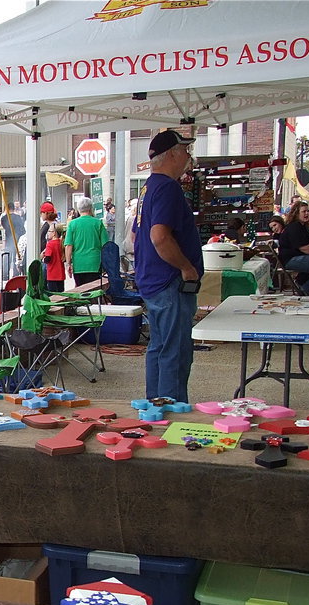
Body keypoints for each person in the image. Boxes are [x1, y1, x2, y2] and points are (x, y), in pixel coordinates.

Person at [131, 129, 203, 403]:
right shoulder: (167, 187)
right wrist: (187, 267)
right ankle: (171, 410)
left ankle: (156, 406)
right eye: (185, 150)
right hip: (169, 281)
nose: (188, 156)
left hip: (155, 280)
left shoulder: (149, 187)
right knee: (175, 350)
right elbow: (159, 236)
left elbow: (138, 236)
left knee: (160, 347)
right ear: (172, 153)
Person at [277, 201, 309, 296]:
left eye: (308, 211)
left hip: (300, 257)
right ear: (296, 214)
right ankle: (308, 289)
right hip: (291, 259)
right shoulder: (294, 227)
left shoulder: (302, 227)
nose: (307, 214)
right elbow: (304, 248)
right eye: (303, 211)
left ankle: (302, 282)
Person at [64, 196, 109, 288]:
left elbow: (68, 245)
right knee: (94, 291)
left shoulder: (72, 224)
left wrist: (68, 264)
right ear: (91, 208)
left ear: (78, 209)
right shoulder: (98, 223)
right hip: (95, 263)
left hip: (79, 264)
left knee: (81, 291)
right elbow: (105, 245)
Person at [0, 201, 26, 281]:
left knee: (7, 257)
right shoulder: (18, 218)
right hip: (17, 240)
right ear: (14, 208)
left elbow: (4, 226)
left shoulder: (4, 218)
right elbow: (22, 229)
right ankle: (15, 275)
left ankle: (5, 276)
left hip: (8, 239)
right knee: (16, 258)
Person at [41, 222, 66, 292]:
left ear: (54, 233)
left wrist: (43, 258)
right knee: (61, 294)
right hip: (61, 274)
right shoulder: (61, 243)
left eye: (49, 231)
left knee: (53, 296)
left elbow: (48, 258)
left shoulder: (50, 244)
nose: (48, 233)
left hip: (52, 275)